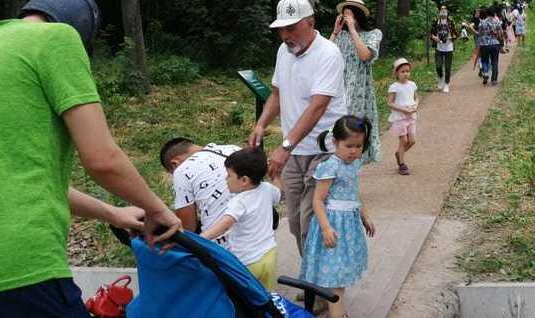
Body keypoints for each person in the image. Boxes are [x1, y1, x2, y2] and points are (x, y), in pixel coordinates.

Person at [0, 0, 181, 317]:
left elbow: (21, 179)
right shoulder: (55, 38)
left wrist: (112, 213)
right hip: (20, 265)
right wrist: (156, 208)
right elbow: (102, 159)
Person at [249, 0, 348, 254]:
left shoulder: (328, 53)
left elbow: (318, 106)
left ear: (311, 23)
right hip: (294, 151)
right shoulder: (284, 51)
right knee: (293, 221)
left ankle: (321, 283)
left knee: (311, 220)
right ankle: (312, 274)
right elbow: (277, 93)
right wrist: (261, 124)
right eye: (281, 28)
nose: (285, 34)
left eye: (291, 27)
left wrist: (284, 147)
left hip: (323, 149)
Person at [300, 115, 376, 318]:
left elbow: (354, 192)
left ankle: (333, 309)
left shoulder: (353, 165)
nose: (354, 151)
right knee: (336, 279)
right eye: (349, 145)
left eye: (359, 146)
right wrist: (326, 227)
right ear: (335, 142)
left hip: (348, 225)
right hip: (333, 225)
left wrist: (364, 215)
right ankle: (336, 314)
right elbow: (317, 200)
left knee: (339, 271)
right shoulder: (330, 166)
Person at [200, 147, 281, 291]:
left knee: (246, 299)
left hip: (247, 261)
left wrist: (199, 239)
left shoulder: (239, 201)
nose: (226, 179)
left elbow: (225, 225)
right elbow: (279, 193)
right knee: (267, 296)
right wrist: (276, 176)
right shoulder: (267, 189)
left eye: (229, 176)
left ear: (244, 180)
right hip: (269, 254)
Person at [159, 137, 242, 246]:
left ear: (174, 164)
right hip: (265, 229)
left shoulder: (182, 171)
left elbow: (188, 228)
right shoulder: (234, 148)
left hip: (227, 248)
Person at [330, 0, 382, 163]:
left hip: (360, 91)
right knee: (338, 128)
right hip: (340, 88)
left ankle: (353, 168)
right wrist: (335, 32)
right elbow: (325, 54)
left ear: (358, 16)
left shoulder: (373, 34)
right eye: (343, 15)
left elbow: (365, 56)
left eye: (349, 15)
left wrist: (352, 30)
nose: (346, 19)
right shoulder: (341, 36)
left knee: (355, 131)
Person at [386, 58, 418, 175]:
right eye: (402, 72)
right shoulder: (394, 87)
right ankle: (402, 165)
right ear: (396, 73)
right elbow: (389, 103)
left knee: (412, 140)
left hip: (411, 116)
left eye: (407, 71)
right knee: (403, 140)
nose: (406, 74)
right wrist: (403, 109)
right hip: (399, 117)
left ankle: (400, 154)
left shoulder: (412, 84)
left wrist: (415, 106)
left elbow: (416, 98)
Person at [429, 3, 455, 93]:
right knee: (438, 66)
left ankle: (446, 84)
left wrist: (451, 37)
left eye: (445, 9)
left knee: (448, 67)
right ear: (440, 11)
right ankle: (440, 78)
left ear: (447, 11)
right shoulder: (436, 21)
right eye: (442, 9)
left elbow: (456, 34)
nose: (443, 10)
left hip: (449, 47)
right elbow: (431, 33)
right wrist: (434, 38)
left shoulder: (451, 21)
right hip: (439, 47)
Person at [476, 6, 505, 85]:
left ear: (486, 13)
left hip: (484, 45)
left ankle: (485, 73)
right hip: (495, 44)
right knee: (495, 62)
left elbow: (479, 34)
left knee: (484, 60)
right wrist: (502, 44)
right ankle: (494, 80)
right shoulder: (497, 21)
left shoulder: (482, 22)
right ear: (494, 13)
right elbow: (501, 33)